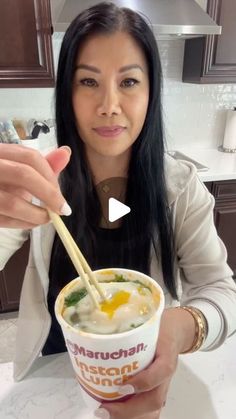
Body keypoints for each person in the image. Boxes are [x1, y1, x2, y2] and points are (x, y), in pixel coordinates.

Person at [0, 2, 236, 418]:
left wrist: (185, 326)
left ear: (151, 92)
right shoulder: (43, 180)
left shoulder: (179, 187)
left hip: (144, 366)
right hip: (56, 370)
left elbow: (223, 291)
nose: (109, 104)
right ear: (67, 93)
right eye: (89, 81)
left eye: (128, 81)